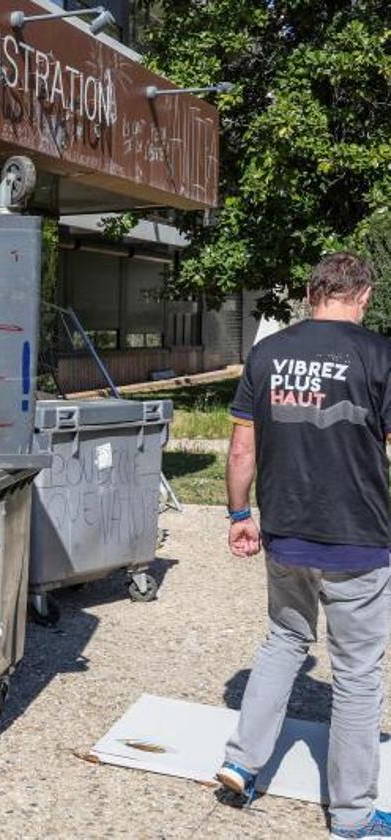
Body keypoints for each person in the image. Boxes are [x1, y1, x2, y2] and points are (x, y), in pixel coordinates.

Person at [216, 252, 391, 839]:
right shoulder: (380, 356)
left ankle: (242, 761)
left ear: (313, 293)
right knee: (358, 675)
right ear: (362, 296)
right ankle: (351, 815)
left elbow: (242, 451)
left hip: (285, 533)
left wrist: (241, 513)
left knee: (285, 639)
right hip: (359, 538)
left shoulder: (266, 355)